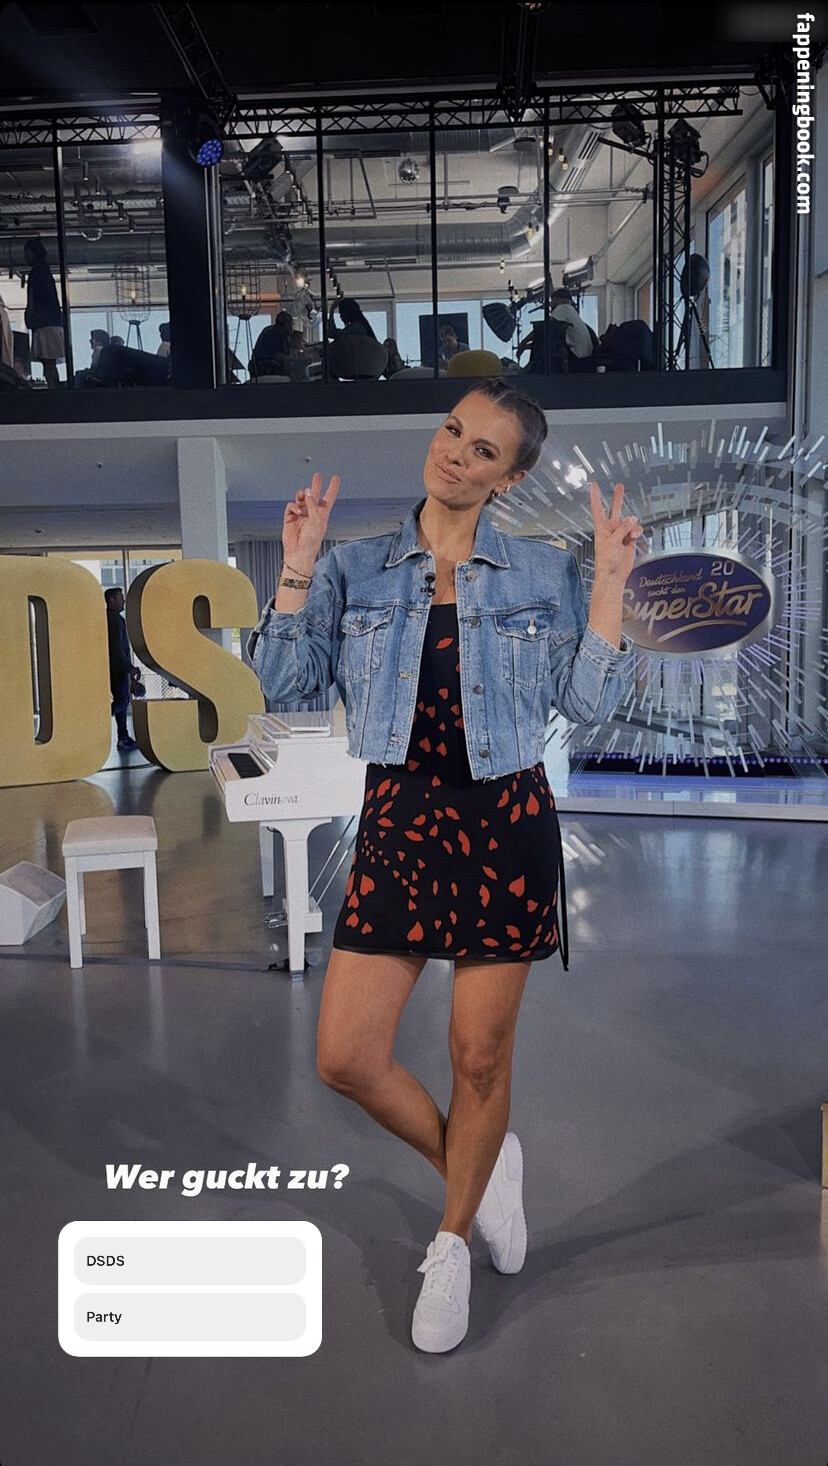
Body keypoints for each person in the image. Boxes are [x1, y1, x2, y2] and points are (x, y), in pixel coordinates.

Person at [247, 379, 642, 1353]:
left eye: (483, 451)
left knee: (479, 1056)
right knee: (346, 1056)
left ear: (510, 479)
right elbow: (286, 685)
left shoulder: (543, 570)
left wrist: (606, 590)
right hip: (399, 821)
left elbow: (590, 706)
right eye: (453, 430)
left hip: (506, 822)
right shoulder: (357, 566)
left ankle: (453, 1239)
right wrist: (295, 567)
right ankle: (483, 1164)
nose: (455, 454)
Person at [23, 238, 65, 388]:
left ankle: (53, 388)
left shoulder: (38, 273)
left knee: (47, 361)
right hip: (49, 322)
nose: (26, 256)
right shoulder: (43, 271)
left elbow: (35, 298)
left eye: (28, 253)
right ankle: (54, 387)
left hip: (44, 324)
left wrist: (32, 316)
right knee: (48, 361)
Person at [104, 587, 139, 751]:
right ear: (111, 600)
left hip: (112, 668)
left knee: (122, 702)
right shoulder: (115, 620)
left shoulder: (109, 618)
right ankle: (100, 719)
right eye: (120, 598)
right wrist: (129, 667)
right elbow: (117, 648)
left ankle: (123, 737)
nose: (123, 600)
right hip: (118, 669)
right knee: (123, 701)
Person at [249, 311, 294, 380]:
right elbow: (278, 357)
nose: (292, 327)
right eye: (290, 324)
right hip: (264, 371)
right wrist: (296, 360)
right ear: (283, 324)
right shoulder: (272, 333)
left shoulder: (283, 336)